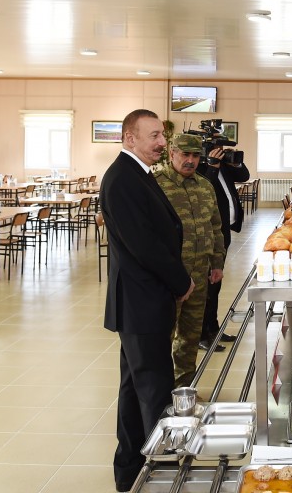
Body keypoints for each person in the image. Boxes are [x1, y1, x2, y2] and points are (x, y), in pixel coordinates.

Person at [101, 109, 194, 492]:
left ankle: (129, 469)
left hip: (145, 299)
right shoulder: (122, 179)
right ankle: (160, 476)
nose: (161, 142)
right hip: (141, 301)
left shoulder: (138, 173)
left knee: (133, 388)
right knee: (154, 389)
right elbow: (144, 245)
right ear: (129, 138)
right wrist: (181, 281)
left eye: (161, 135)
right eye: (153, 135)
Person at [155, 134, 225, 387]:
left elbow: (215, 227)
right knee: (162, 336)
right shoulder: (156, 185)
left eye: (195, 156)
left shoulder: (205, 186)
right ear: (172, 153)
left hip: (199, 275)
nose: (190, 160)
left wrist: (217, 263)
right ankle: (161, 393)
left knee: (191, 336)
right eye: (185, 154)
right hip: (168, 278)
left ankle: (184, 389)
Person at [195, 146, 250, 352]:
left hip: (222, 233)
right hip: (207, 234)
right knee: (206, 287)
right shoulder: (199, 167)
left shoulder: (223, 166)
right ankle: (201, 334)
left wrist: (235, 161)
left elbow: (244, 176)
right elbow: (203, 192)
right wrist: (212, 166)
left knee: (215, 284)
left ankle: (213, 328)